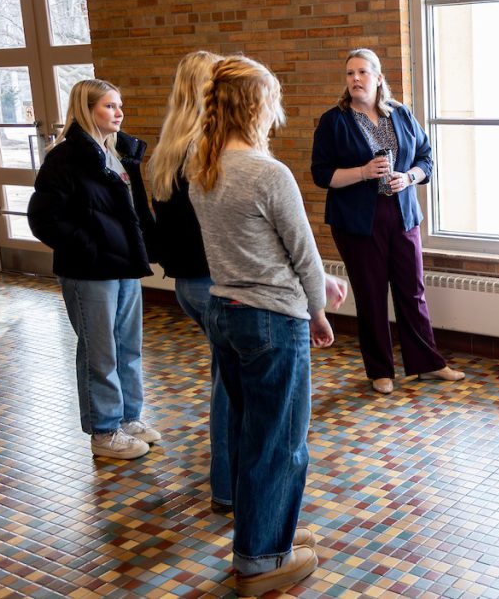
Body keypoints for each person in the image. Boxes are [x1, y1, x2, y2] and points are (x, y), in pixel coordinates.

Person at [187, 55, 346, 596]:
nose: (277, 111)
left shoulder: (202, 166)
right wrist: (319, 311)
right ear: (255, 107)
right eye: (272, 100)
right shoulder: (267, 172)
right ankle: (260, 561)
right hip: (273, 321)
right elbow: (302, 253)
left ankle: (262, 535)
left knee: (248, 433)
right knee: (280, 442)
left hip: (225, 312)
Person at [311, 48, 464, 394]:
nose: (355, 79)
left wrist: (408, 177)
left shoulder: (401, 113)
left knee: (413, 291)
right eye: (350, 73)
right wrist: (363, 172)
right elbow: (321, 174)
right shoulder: (334, 121)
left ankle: (428, 363)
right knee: (371, 295)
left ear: (378, 78)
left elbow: (425, 159)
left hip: (403, 214)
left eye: (362, 72)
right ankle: (380, 370)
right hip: (358, 222)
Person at [27, 79, 161, 460]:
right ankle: (104, 431)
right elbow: (43, 219)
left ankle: (128, 418)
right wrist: (89, 248)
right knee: (100, 353)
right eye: (109, 106)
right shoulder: (65, 158)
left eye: (119, 105)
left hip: (124, 266)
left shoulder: (117, 152)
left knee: (128, 348)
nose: (119, 113)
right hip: (89, 270)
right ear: (87, 110)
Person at [147, 50, 233, 513]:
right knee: (232, 389)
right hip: (215, 283)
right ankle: (228, 488)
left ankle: (229, 478)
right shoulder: (206, 150)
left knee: (227, 377)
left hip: (189, 285)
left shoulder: (169, 147)